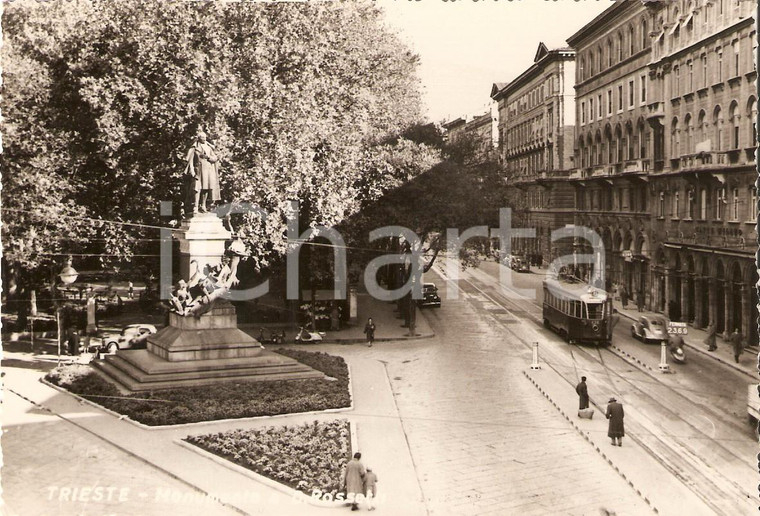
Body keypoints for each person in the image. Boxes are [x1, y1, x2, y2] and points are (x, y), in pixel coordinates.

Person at [184, 130, 221, 214]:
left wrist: (208, 157)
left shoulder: (208, 147)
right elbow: (190, 160)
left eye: (205, 137)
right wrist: (192, 171)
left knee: (206, 188)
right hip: (198, 170)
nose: (204, 139)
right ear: (199, 138)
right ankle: (195, 206)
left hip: (208, 170)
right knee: (197, 189)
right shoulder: (195, 147)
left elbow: (215, 158)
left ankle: (203, 206)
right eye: (202, 137)